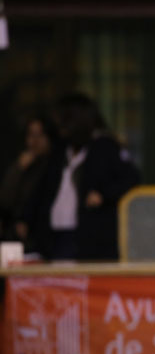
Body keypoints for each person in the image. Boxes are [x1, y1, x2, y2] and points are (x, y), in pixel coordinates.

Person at [23, 93, 140, 260]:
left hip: (90, 233)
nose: (60, 128)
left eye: (64, 123)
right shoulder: (61, 150)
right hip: (55, 232)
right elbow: (42, 189)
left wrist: (103, 194)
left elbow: (131, 179)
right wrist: (26, 219)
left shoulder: (104, 146)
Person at [0, 116, 57, 246]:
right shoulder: (22, 165)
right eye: (31, 135)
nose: (35, 141)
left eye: (40, 135)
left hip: (43, 234)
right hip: (16, 233)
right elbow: (5, 199)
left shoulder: (55, 166)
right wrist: (18, 170)